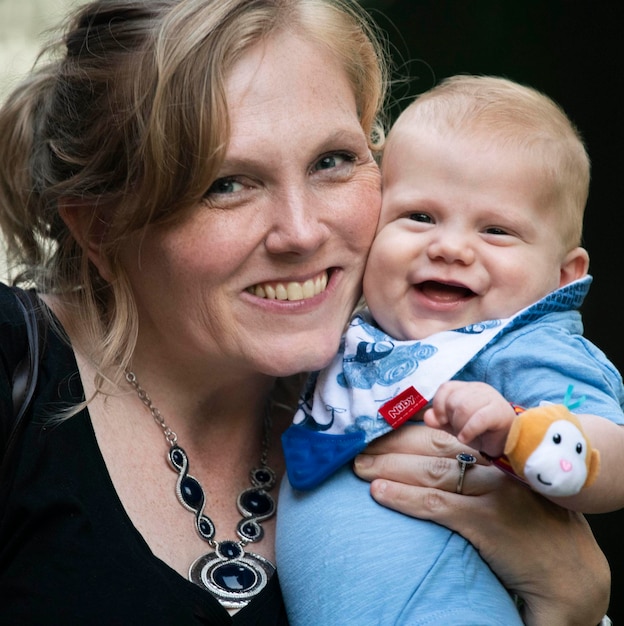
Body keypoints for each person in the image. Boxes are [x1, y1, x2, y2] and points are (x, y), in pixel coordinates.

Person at [0, 1, 610, 623]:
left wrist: (571, 604)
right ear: (102, 230)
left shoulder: (416, 369)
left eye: (331, 161)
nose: (300, 232)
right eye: (226, 182)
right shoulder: (14, 372)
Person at [278, 75, 623, 624]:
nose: (450, 247)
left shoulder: (521, 344)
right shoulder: (352, 334)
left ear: (562, 276)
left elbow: (612, 452)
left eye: (496, 231)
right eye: (419, 217)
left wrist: (521, 434)